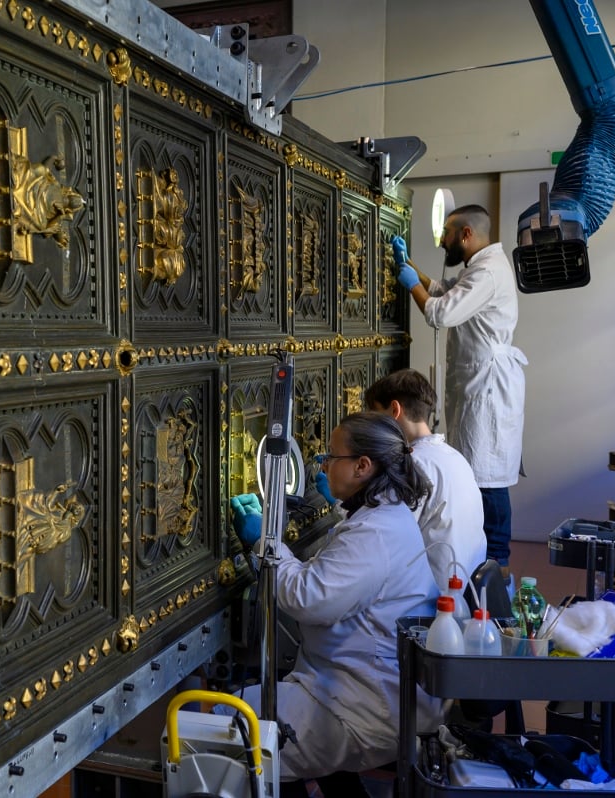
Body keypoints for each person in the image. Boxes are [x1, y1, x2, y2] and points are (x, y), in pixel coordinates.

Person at [230, 412, 445, 785]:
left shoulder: (375, 535)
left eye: (332, 457)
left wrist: (262, 540)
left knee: (223, 726)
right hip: (359, 684)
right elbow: (352, 562)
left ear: (362, 466)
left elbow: (308, 598)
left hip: (364, 705)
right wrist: (337, 506)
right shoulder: (385, 513)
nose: (324, 464)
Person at [391, 205, 527, 571]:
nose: (442, 240)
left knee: (490, 479)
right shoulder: (479, 269)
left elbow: (439, 313)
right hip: (478, 387)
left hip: (489, 391)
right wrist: (411, 267)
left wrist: (411, 286)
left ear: (466, 234)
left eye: (448, 233)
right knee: (481, 473)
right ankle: (486, 566)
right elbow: (440, 290)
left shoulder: (489, 273)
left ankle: (498, 569)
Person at [365, 368, 486, 589]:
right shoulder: (453, 455)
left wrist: (340, 503)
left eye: (375, 416)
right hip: (468, 585)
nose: (374, 428)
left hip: (435, 597)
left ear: (394, 410)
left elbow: (378, 534)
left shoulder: (414, 464)